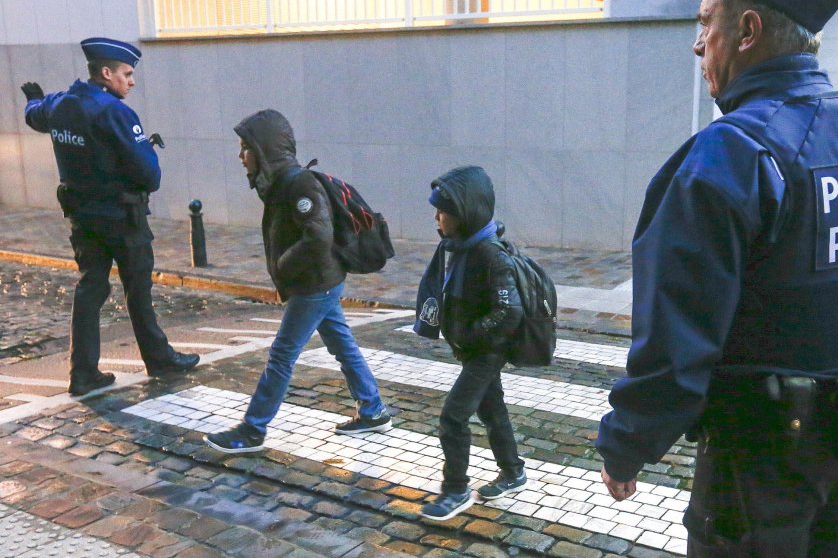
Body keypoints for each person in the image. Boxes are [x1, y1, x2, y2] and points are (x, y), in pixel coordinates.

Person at [595, 0, 838, 557]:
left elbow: (679, 333)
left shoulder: (731, 153)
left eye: (706, 22)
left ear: (748, 30)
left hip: (758, 466)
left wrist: (629, 441)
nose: (697, 42)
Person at [204, 109, 392, 454]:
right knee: (342, 345)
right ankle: (373, 409)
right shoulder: (280, 184)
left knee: (281, 355)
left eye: (245, 147)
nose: (240, 156)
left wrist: (284, 266)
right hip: (320, 282)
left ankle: (252, 429)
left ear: (265, 150)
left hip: (314, 285)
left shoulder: (298, 184)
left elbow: (318, 237)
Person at [21, 37, 199, 397]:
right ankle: (159, 360)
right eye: (127, 73)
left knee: (90, 288)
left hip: (83, 218)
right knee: (138, 290)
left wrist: (33, 100)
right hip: (122, 217)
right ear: (106, 73)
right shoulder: (115, 112)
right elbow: (150, 175)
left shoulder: (60, 104)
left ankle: (83, 373)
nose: (131, 81)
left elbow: (35, 115)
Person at [413, 166, 527, 521]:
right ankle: (513, 471)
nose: (436, 217)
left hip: (485, 352)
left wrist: (472, 335)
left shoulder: (489, 254)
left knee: (453, 416)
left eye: (442, 210)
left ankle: (456, 490)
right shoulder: (460, 247)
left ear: (463, 213)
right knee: (492, 410)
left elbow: (509, 311)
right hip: (473, 350)